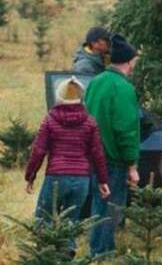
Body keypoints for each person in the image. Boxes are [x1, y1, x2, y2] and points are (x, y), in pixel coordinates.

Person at [24, 77, 110, 257]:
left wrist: (30, 176)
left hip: (56, 176)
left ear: (59, 96)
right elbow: (97, 153)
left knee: (44, 217)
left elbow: (38, 151)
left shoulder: (50, 120)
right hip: (82, 179)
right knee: (72, 218)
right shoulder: (90, 122)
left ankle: (44, 255)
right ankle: (68, 252)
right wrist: (103, 180)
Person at [85, 34, 141, 256]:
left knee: (99, 203)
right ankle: (101, 251)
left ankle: (101, 247)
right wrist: (132, 165)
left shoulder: (95, 83)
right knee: (111, 205)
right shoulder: (124, 88)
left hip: (91, 155)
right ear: (128, 61)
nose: (135, 64)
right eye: (135, 61)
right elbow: (126, 130)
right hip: (112, 158)